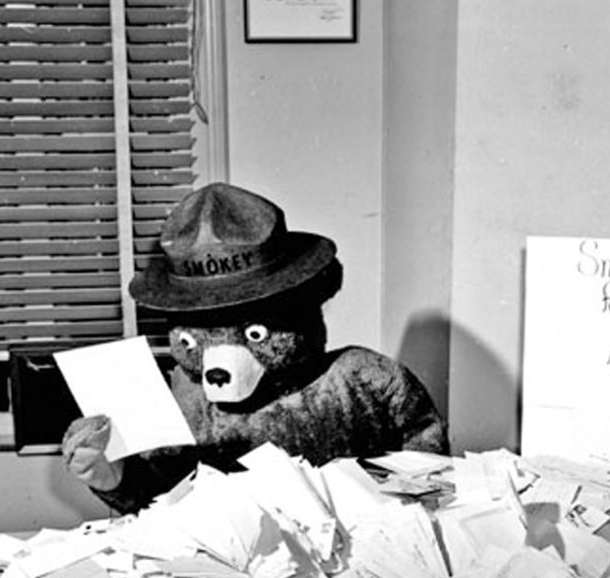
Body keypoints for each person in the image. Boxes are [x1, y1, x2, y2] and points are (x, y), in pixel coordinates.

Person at [62, 183, 449, 515]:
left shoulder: (362, 380)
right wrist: (113, 476)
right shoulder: (185, 396)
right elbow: (161, 502)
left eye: (251, 331)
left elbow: (430, 480)